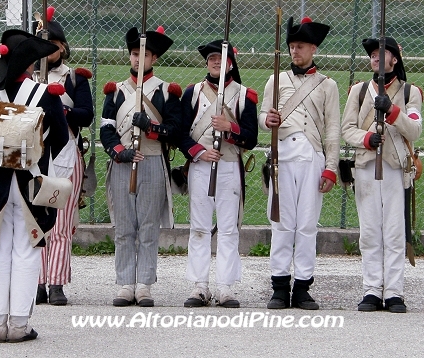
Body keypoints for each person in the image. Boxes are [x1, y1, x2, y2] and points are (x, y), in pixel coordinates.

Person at [0, 30, 69, 342]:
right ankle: (20, 325)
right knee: (27, 251)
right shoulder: (45, 95)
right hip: (30, 184)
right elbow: (61, 139)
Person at [258, 16, 340, 310]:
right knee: (281, 225)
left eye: (301, 46)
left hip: (312, 160)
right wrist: (267, 120)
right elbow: (262, 118)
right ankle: (279, 286)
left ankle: (303, 287)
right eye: (292, 46)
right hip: (282, 159)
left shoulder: (327, 85)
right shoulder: (275, 80)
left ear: (313, 49)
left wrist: (331, 166)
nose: (295, 51)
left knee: (307, 226)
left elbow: (333, 129)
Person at [100, 25, 182, 307]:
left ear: (153, 59)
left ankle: (144, 284)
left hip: (152, 159)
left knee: (148, 227)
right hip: (122, 162)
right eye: (135, 53)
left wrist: (151, 127)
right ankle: (125, 283)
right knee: (124, 228)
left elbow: (174, 130)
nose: (138, 59)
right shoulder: (115, 92)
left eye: (144, 54)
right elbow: (106, 130)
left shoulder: (165, 92)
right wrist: (119, 152)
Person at [341, 37, 423, 313]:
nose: (375, 58)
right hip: (365, 166)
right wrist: (366, 139)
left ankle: (394, 292)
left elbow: (413, 131)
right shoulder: (359, 91)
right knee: (369, 231)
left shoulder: (411, 92)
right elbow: (347, 129)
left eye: (381, 54)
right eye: (373, 55)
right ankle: (372, 289)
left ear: (394, 60)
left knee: (394, 232)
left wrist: (391, 110)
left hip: (395, 169)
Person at [179, 40, 258, 308]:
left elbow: (251, 138)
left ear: (231, 63)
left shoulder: (245, 95)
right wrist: (198, 152)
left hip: (229, 165)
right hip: (201, 165)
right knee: (199, 227)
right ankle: (200, 285)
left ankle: (225, 287)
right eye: (212, 58)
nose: (215, 62)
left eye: (221, 58)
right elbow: (180, 133)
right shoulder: (193, 93)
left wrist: (230, 128)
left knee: (228, 229)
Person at [32, 7, 94, 306]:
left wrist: (61, 111)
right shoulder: (26, 77)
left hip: (65, 153)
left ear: (62, 47)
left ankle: (56, 282)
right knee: (36, 222)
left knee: (60, 224)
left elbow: (86, 114)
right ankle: (37, 282)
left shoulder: (74, 79)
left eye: (53, 45)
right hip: (33, 154)